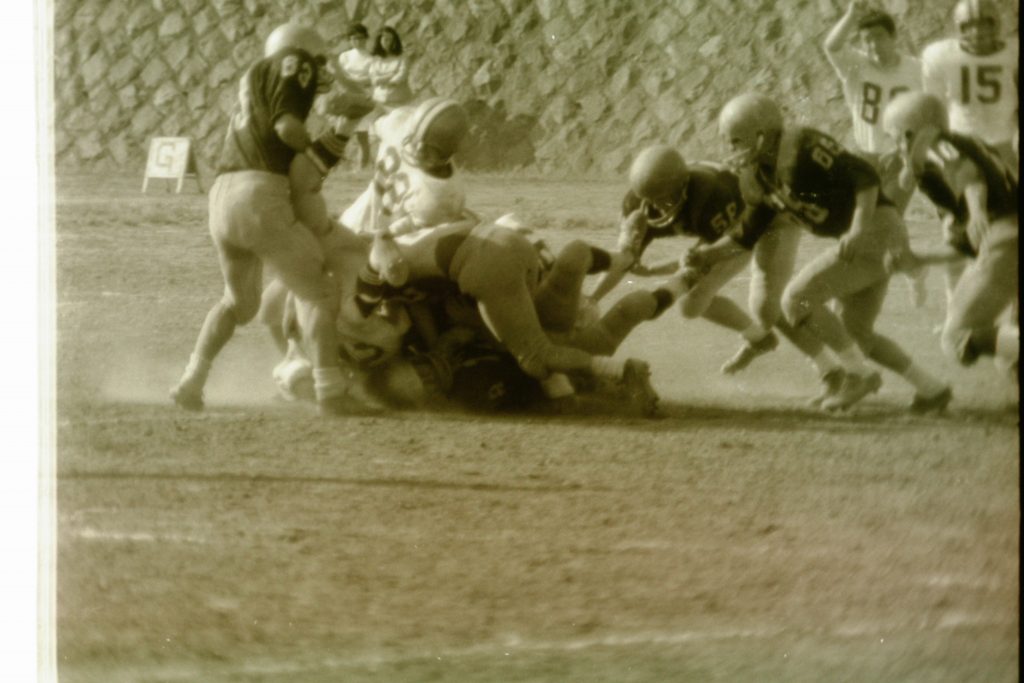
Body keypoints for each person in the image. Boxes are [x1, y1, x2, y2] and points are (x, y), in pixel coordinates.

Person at [688, 93, 951, 412]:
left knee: (796, 298)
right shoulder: (759, 176)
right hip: (869, 240)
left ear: (762, 134)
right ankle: (932, 389)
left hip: (875, 230)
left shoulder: (802, 147)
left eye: (737, 141)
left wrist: (857, 228)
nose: (733, 149)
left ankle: (859, 375)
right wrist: (706, 256)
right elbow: (745, 235)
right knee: (857, 334)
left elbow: (866, 179)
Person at [170, 23, 360, 417]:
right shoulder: (294, 61)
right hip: (259, 195)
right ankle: (331, 392)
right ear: (299, 52)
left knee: (237, 303)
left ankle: (192, 379)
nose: (318, 69)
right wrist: (317, 148)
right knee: (318, 291)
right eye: (317, 60)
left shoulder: (252, 78)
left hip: (221, 197)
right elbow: (287, 128)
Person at [586, 146, 846, 392]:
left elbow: (713, 255)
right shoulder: (637, 203)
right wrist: (593, 299)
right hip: (731, 230)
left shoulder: (708, 197)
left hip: (770, 219)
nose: (658, 206)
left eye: (665, 198)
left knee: (767, 301)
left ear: (682, 186)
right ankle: (759, 338)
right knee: (691, 305)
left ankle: (830, 368)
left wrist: (656, 274)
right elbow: (623, 260)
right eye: (652, 200)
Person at [882, 91, 1018, 376]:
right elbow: (967, 243)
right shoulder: (966, 146)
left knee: (957, 338)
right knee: (1009, 361)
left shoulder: (932, 145)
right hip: (1005, 240)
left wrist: (977, 209)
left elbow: (968, 174)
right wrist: (918, 258)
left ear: (910, 133)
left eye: (894, 137)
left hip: (1006, 242)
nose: (895, 147)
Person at [921, 0, 1019, 318]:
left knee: (1011, 229)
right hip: (962, 149)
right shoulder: (940, 56)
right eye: (969, 26)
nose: (978, 32)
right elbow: (934, 108)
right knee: (956, 231)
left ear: (996, 25)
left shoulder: (1013, 52)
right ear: (959, 28)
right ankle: (955, 305)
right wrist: (939, 149)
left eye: (985, 24)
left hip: (1005, 149)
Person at [332, 22, 375, 168]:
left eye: (361, 38)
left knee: (362, 135)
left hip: (363, 97)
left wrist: (352, 81)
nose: (358, 41)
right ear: (349, 40)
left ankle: (363, 167)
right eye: (354, 38)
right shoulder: (344, 57)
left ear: (366, 38)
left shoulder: (371, 58)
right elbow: (339, 76)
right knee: (339, 132)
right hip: (346, 97)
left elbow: (371, 79)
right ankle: (335, 165)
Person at [369, 27, 413, 117]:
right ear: (379, 41)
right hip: (380, 100)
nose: (388, 42)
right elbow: (374, 79)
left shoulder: (402, 57)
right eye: (385, 39)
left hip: (400, 99)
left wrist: (388, 81)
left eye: (391, 40)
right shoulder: (375, 60)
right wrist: (391, 75)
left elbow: (402, 74)